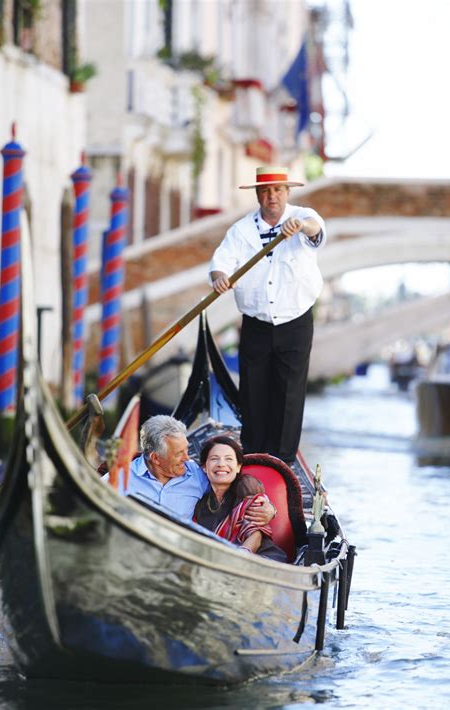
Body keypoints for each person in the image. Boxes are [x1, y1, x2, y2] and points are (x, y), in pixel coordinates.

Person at [209, 166, 326, 465]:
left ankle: (282, 462)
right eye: (265, 191)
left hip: (295, 320)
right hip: (256, 323)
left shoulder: (303, 216)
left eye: (277, 190)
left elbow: (316, 230)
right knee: (253, 392)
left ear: (287, 192)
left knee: (289, 394)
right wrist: (220, 277)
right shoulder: (241, 230)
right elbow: (221, 262)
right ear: (258, 195)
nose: (272, 196)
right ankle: (253, 457)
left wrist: (300, 226)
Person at [124, 415, 276, 524]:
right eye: (179, 454)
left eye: (186, 450)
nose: (187, 458)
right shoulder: (120, 479)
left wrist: (269, 508)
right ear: (155, 458)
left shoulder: (195, 474)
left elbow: (231, 484)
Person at [194, 435, 287, 562]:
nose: (221, 464)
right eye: (214, 459)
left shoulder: (247, 487)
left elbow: (255, 532)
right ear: (204, 467)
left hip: (259, 559)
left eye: (229, 459)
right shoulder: (197, 498)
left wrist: (241, 556)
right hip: (216, 562)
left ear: (238, 467)